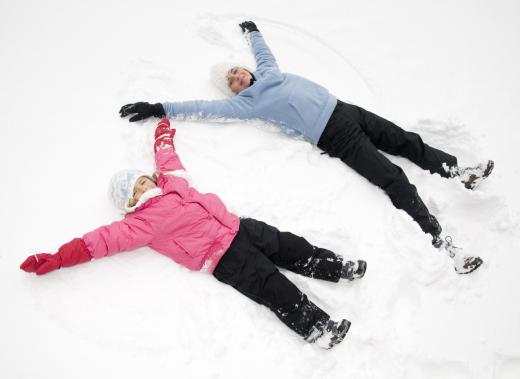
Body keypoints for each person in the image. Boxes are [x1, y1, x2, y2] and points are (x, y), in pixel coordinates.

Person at [119, 21, 493, 275]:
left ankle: (459, 172)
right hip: (335, 136)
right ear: (233, 92)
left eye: (236, 71)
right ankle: (440, 240)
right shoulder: (245, 105)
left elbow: (262, 49)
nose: (237, 78)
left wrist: (251, 30)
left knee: (407, 141)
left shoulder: (270, 73)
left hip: (347, 111)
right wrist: (160, 108)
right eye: (232, 82)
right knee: (393, 178)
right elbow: (202, 107)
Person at [20, 118, 367, 350]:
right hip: (222, 257)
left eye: (143, 180)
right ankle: (317, 328)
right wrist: (58, 258)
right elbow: (100, 241)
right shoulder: (138, 224)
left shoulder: (172, 180)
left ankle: (335, 267)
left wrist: (162, 134)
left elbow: (167, 156)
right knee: (270, 285)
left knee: (288, 244)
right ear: (129, 203)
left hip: (239, 225)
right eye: (136, 190)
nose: (144, 186)